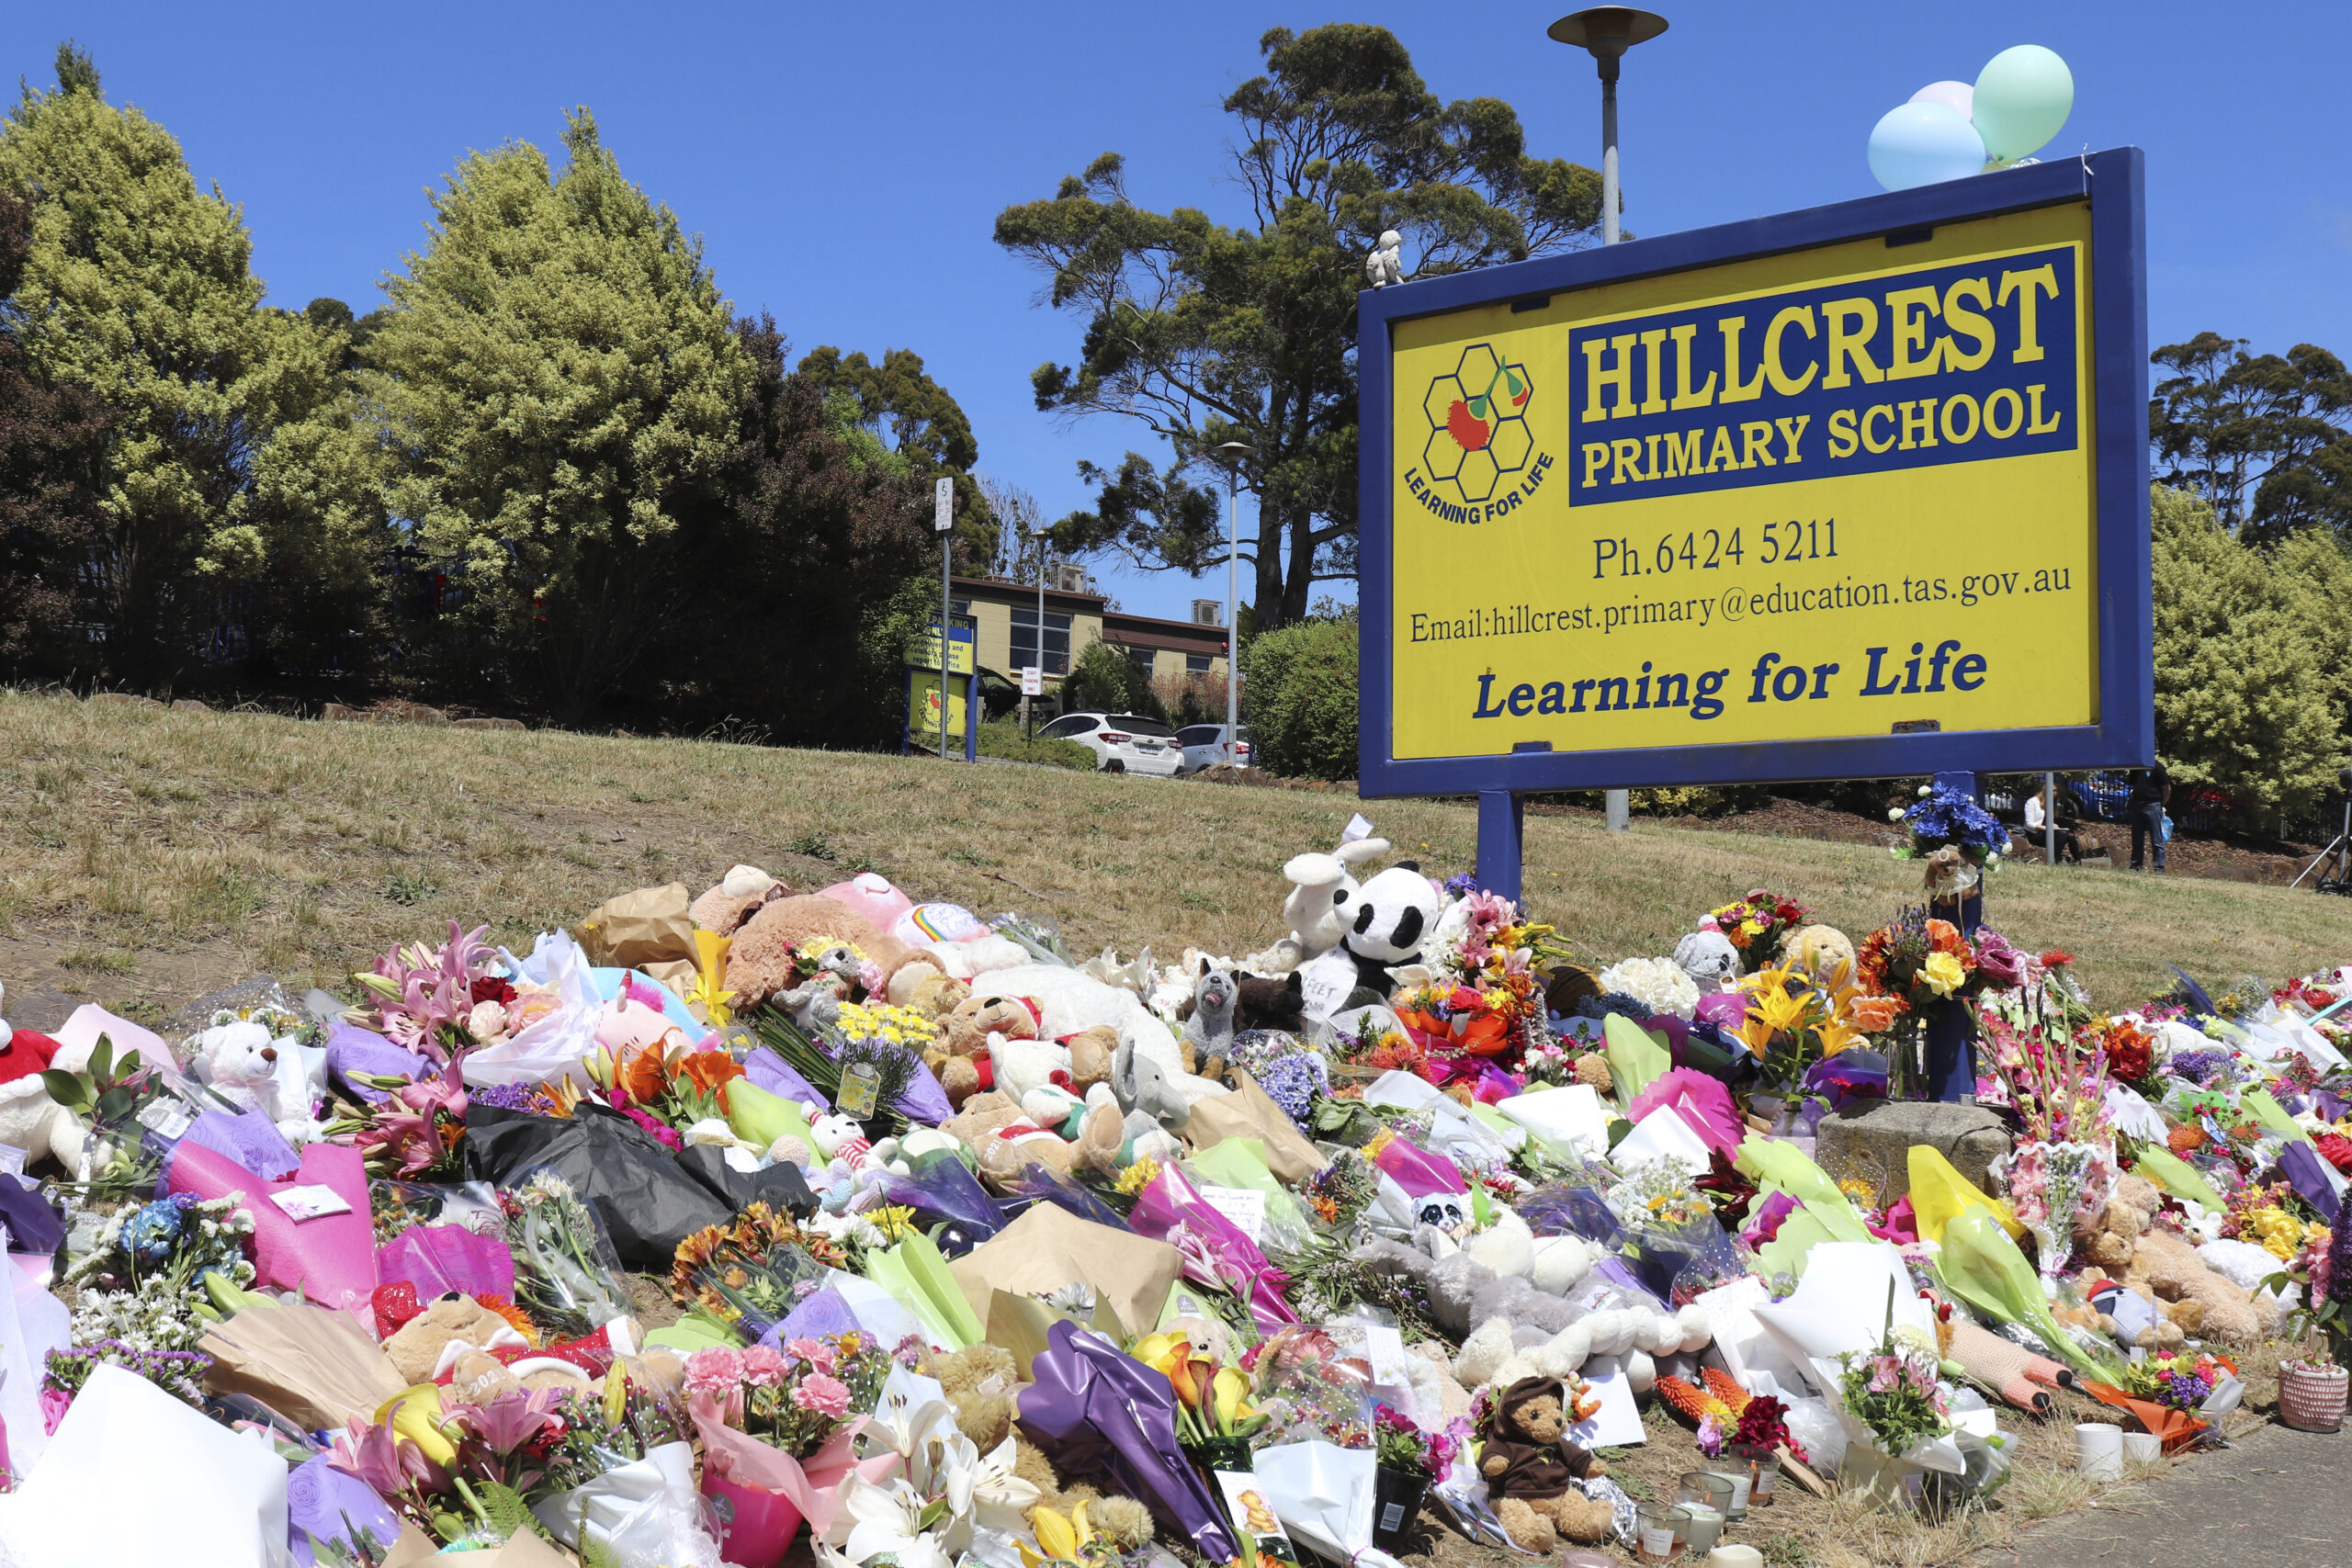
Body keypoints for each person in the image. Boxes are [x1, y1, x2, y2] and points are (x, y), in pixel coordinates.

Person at [2129, 761, 2171, 874]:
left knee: (2156, 839)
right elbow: (2133, 783)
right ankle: (2136, 866)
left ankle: (2159, 868)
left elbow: (2166, 788)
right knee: (2137, 838)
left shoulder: (2158, 767)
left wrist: (2161, 804)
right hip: (2138, 804)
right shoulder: (2136, 766)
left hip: (2153, 805)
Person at [2024, 785, 2080, 864]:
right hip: (2034, 834)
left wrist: (2053, 825)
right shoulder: (2032, 802)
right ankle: (2054, 859)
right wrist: (2046, 827)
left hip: (2046, 832)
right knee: (2062, 834)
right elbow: (2029, 824)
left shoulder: (2049, 804)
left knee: (2070, 835)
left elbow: (2045, 821)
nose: (2053, 799)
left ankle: (2078, 861)